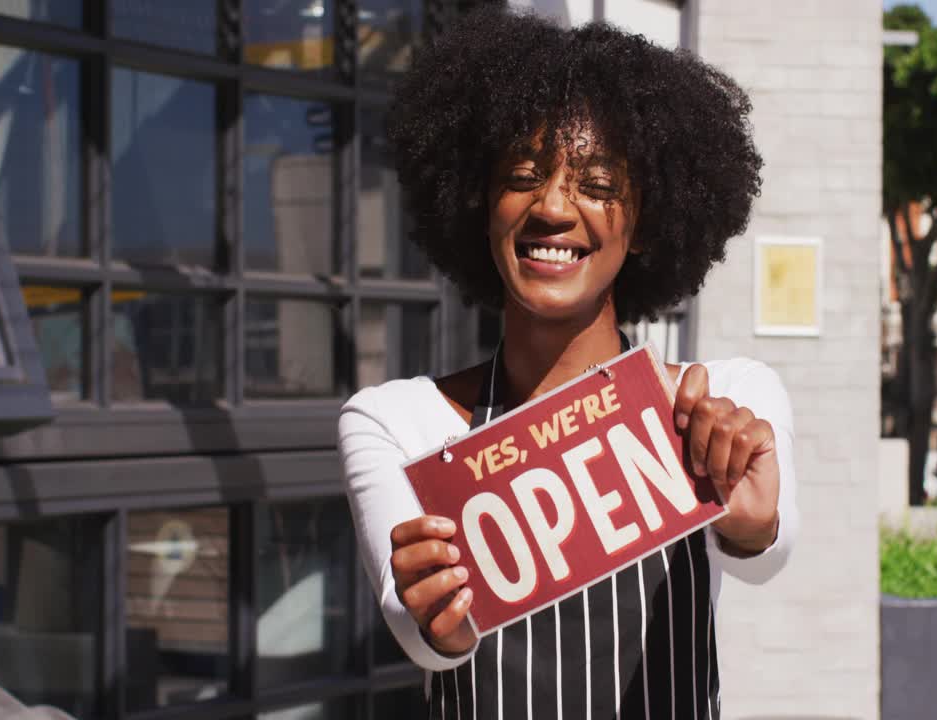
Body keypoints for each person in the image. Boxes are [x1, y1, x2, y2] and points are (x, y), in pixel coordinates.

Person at [339, 8, 798, 719]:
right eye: (522, 174)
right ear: (478, 202)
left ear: (645, 222)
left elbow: (767, 548)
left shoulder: (724, 402)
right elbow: (423, 639)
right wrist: (438, 618)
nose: (553, 205)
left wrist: (748, 520)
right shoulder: (397, 422)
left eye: (598, 182)